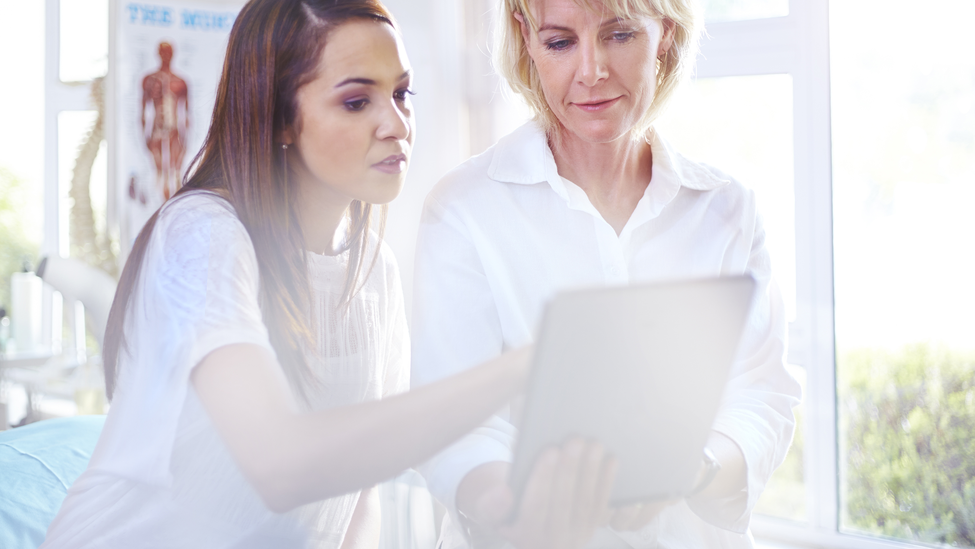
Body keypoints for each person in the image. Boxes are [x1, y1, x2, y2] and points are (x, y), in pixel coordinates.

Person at [41, 1, 615, 547]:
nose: (396, 125)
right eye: (355, 102)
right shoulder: (202, 233)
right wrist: (526, 364)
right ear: (279, 119)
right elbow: (280, 465)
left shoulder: (374, 271)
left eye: (401, 94)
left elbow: (356, 500)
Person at [411, 0, 804, 547]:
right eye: (559, 42)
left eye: (618, 36)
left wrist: (697, 468)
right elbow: (450, 423)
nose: (591, 71)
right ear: (526, 38)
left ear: (664, 32)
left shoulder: (725, 208)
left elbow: (763, 396)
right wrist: (516, 508)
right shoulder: (463, 210)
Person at [141, 41, 189, 201]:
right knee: (159, 174)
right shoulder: (149, 80)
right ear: (158, 54)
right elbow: (142, 112)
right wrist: (145, 136)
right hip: (156, 132)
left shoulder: (180, 82)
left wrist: (185, 138)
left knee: (175, 173)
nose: (166, 56)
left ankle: (173, 207)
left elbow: (187, 114)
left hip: (175, 132)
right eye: (163, 52)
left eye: (169, 52)